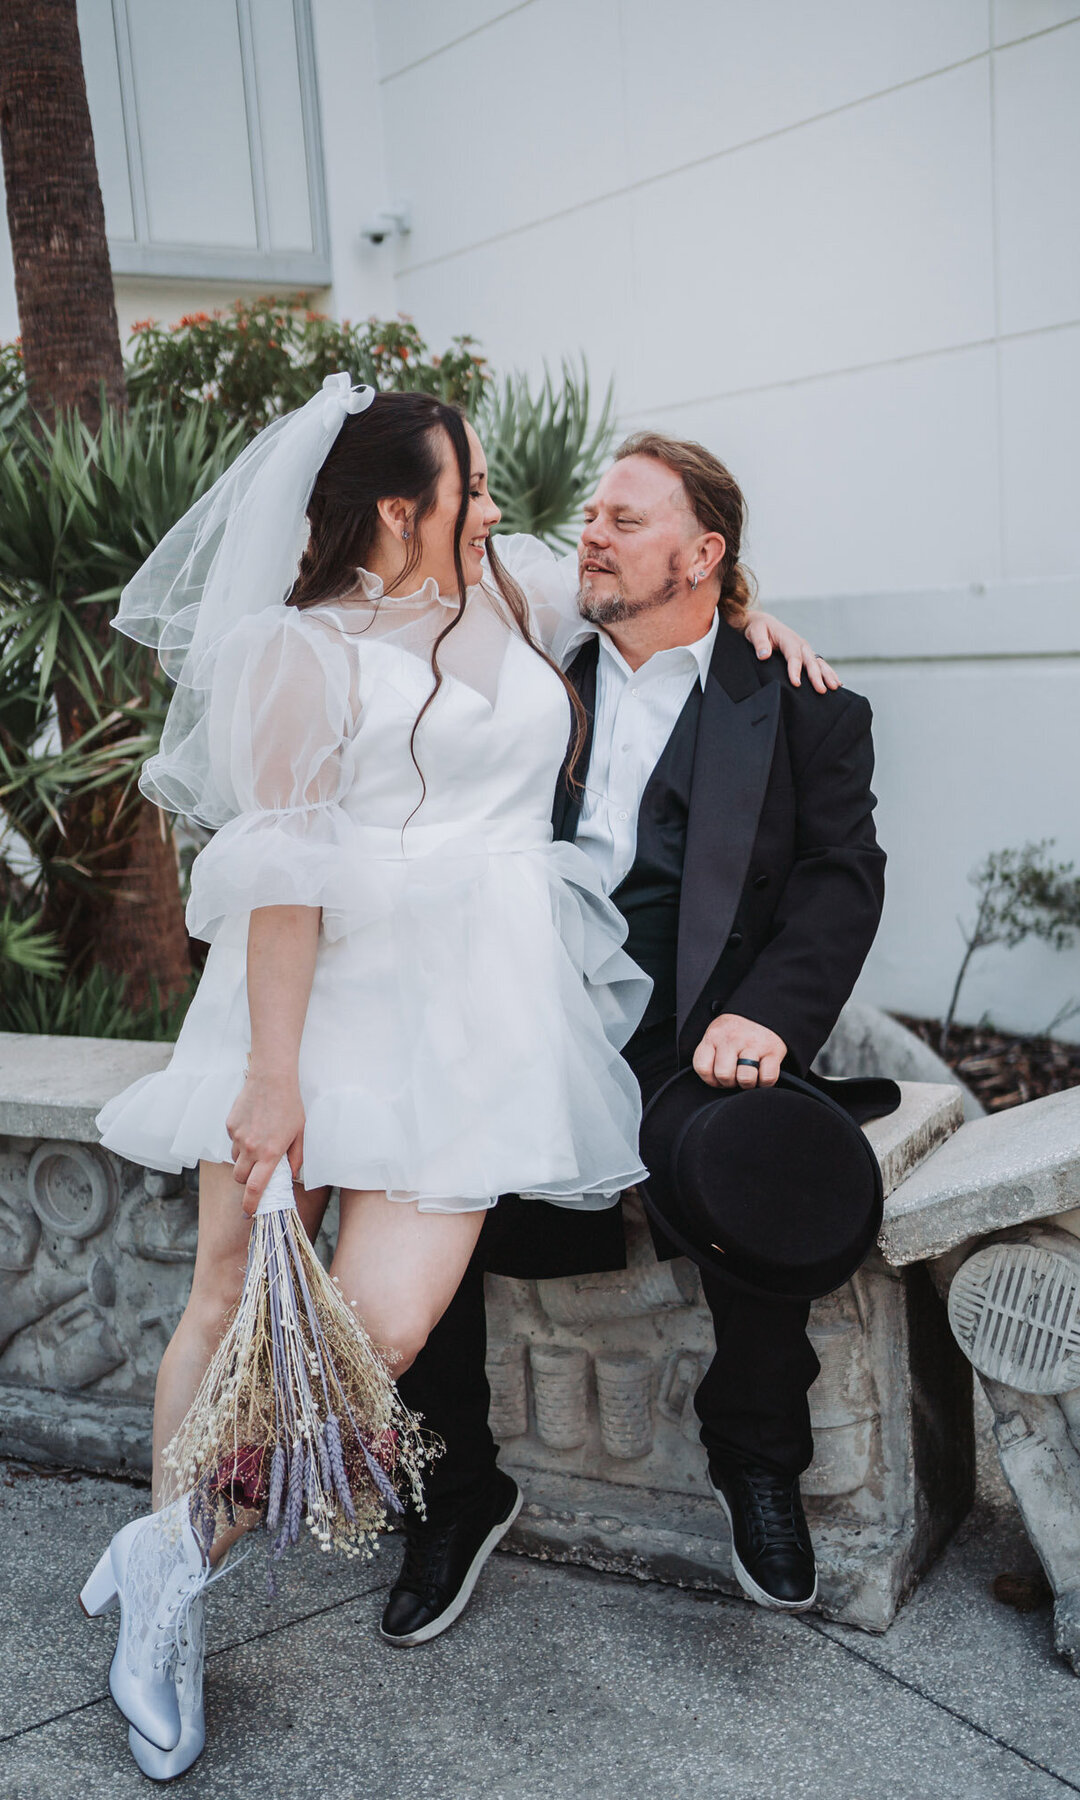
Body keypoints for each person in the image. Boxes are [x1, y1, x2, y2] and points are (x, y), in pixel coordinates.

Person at [79, 379, 823, 1778]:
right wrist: (274, 1082)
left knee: (384, 1332)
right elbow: (286, 884)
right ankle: (170, 1611)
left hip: (483, 1011)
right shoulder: (293, 654)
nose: (501, 507)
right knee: (231, 1289)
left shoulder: (511, 587)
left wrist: (751, 624)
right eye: (470, 487)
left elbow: (665, 600)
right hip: (314, 1000)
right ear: (392, 511)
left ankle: (164, 1548)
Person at [387, 431, 885, 1647]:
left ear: (703, 555)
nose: (591, 536)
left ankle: (756, 1459)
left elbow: (840, 878)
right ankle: (453, 1496)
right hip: (526, 1026)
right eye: (590, 518)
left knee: (754, 1164)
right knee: (414, 1172)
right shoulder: (524, 677)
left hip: (687, 1037)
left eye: (625, 519)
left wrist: (767, 1016)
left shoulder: (804, 706)